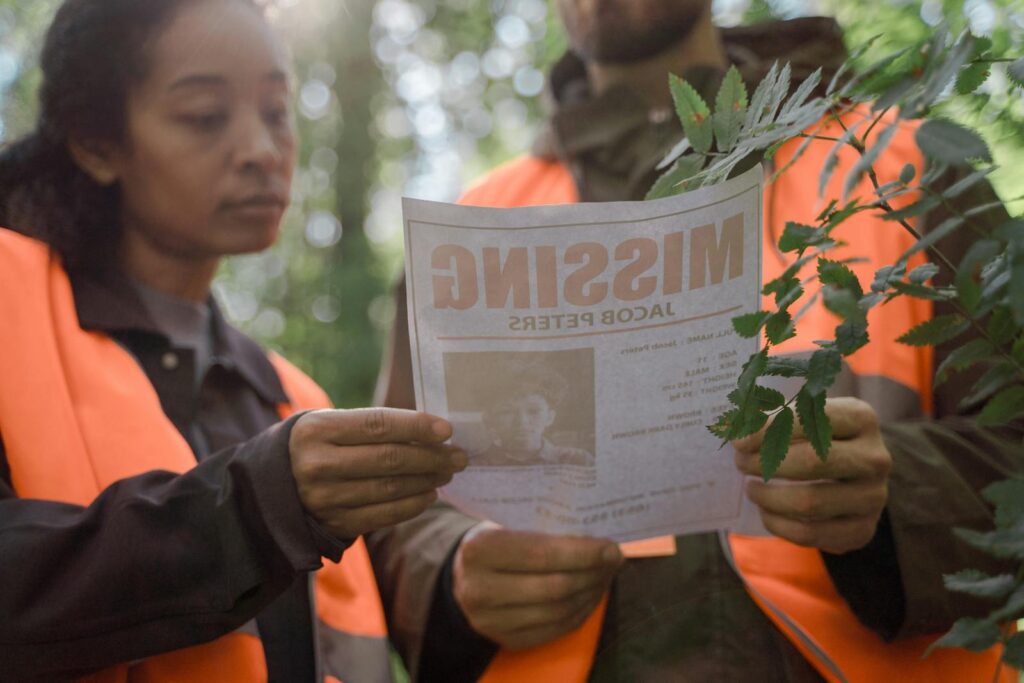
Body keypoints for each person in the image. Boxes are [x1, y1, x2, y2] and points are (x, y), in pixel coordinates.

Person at [376, 1, 1023, 681]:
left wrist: (897, 497)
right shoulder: (468, 231)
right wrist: (451, 575)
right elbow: (393, 514)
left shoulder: (908, 169)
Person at [0, 0, 467, 680]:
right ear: (96, 144)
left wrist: (471, 596)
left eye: (277, 111)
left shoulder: (293, 398)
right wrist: (254, 508)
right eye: (204, 117)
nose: (261, 150)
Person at [475, 369, 593, 468]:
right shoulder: (473, 465)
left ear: (550, 417)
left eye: (534, 411)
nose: (522, 422)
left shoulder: (577, 460)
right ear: (488, 420)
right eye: (507, 412)